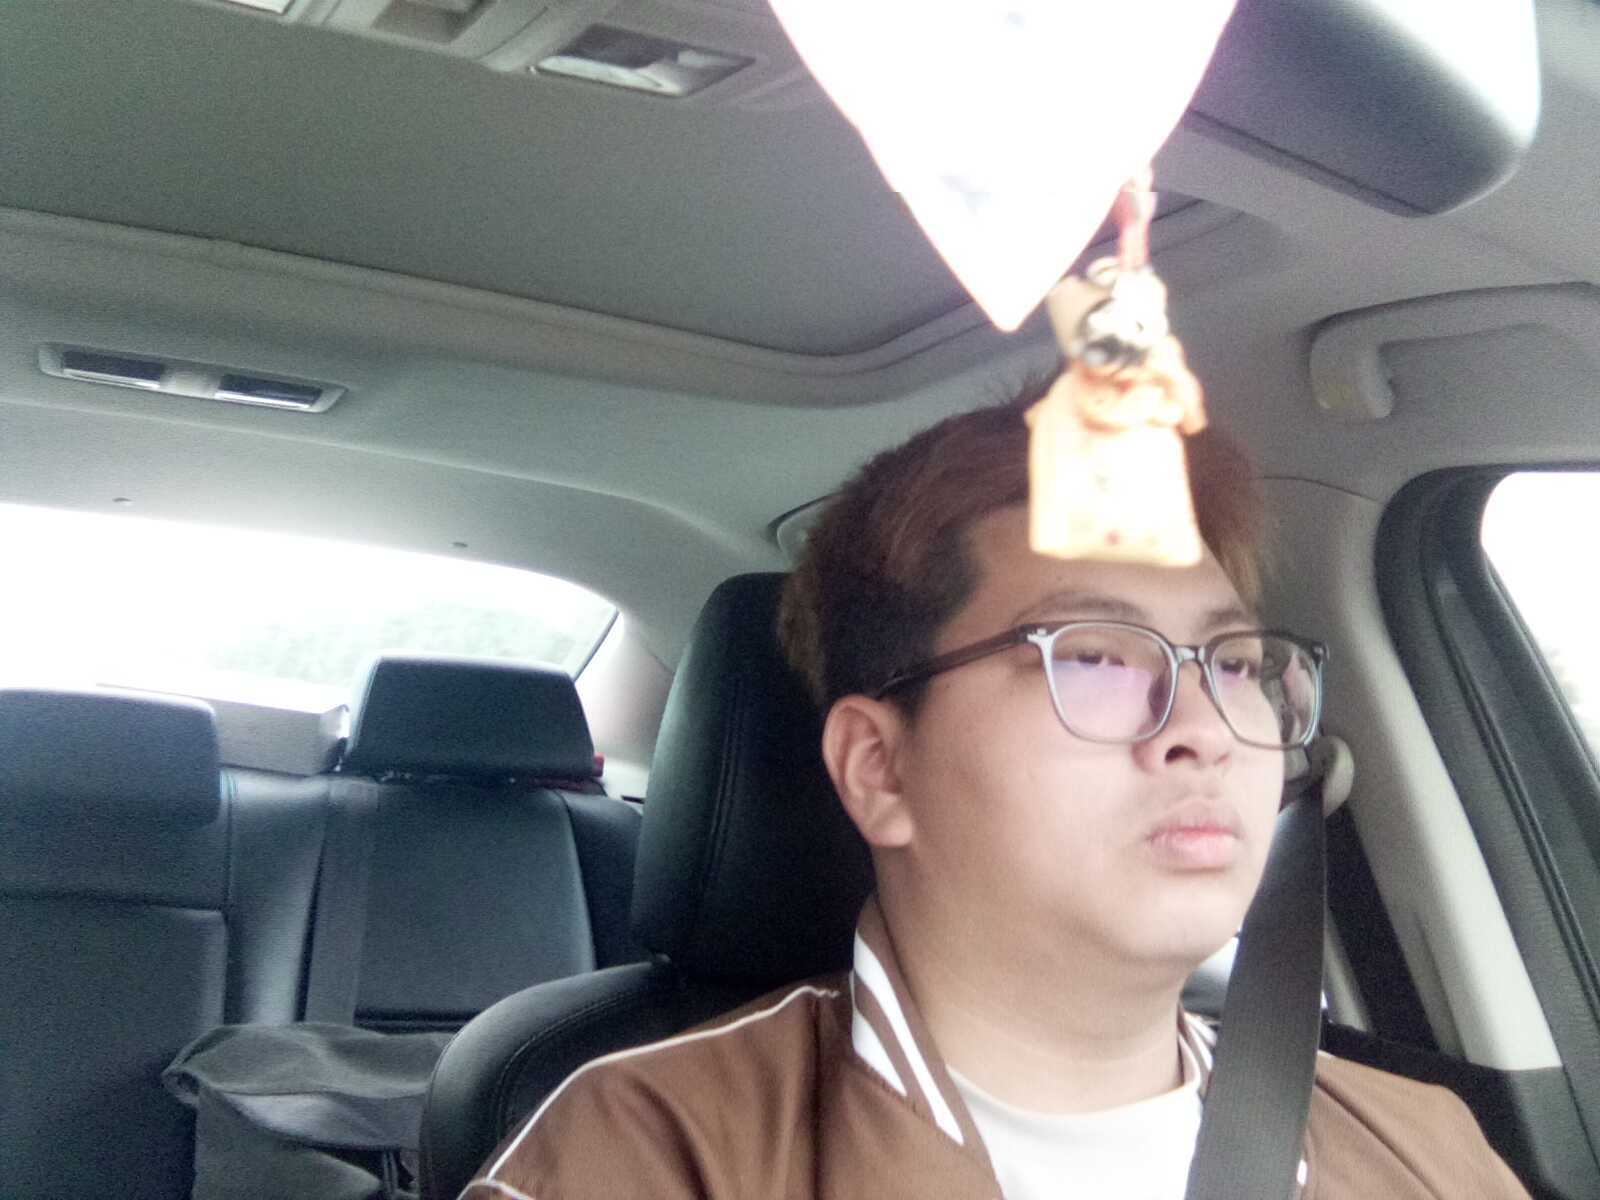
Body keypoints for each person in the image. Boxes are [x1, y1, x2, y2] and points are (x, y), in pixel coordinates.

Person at [464, 391, 1529, 1198]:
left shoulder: (1426, 1150)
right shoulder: (634, 1159)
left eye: (1236, 664)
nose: (1205, 729)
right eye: (1097, 657)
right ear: (879, 769)